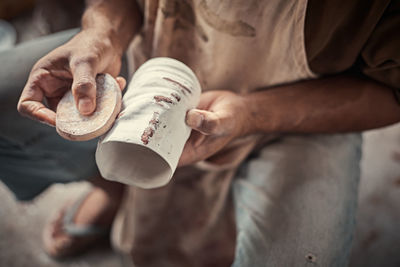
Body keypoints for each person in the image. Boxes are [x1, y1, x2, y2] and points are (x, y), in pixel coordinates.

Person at [3, 0, 399, 266]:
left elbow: (390, 94)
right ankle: (116, 191)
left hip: (306, 101)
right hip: (149, 57)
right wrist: (101, 32)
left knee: (301, 256)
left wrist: (253, 114)